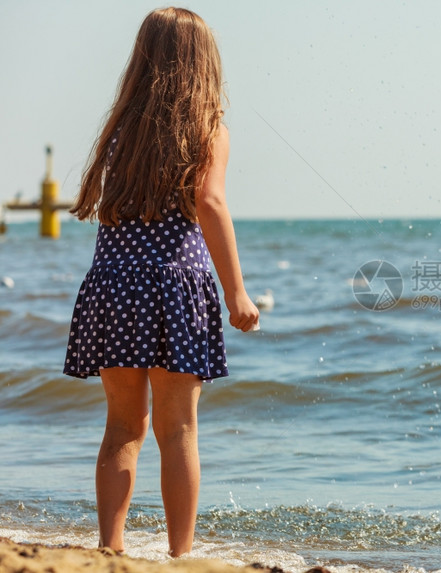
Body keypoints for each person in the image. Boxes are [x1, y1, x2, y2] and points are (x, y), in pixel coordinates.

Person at [63, 7, 259, 557]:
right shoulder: (208, 129)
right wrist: (236, 291)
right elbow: (211, 201)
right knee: (179, 431)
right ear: (203, 64)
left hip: (115, 283)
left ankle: (110, 547)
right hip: (175, 285)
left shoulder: (121, 128)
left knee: (122, 425)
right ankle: (180, 555)